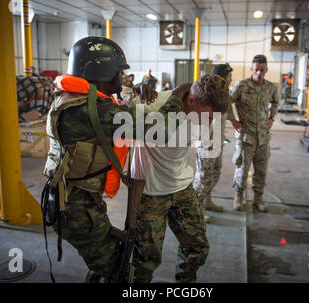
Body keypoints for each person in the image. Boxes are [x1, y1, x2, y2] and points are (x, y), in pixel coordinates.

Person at [43, 36, 190, 283]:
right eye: (117, 72)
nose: (120, 78)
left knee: (107, 264)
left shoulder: (72, 98)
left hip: (69, 201)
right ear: (100, 71)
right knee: (119, 273)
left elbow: (114, 111)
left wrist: (137, 91)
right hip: (77, 209)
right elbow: (158, 130)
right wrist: (177, 95)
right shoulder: (97, 109)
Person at [130, 74, 230, 283]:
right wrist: (135, 91)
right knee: (146, 260)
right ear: (191, 100)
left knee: (198, 248)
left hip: (182, 187)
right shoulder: (154, 103)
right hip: (151, 192)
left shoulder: (206, 115)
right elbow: (120, 105)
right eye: (209, 117)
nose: (211, 123)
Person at [228, 55, 279, 212]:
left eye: (262, 70)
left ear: (266, 70)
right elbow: (226, 102)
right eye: (256, 70)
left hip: (263, 138)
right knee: (242, 170)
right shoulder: (241, 86)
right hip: (246, 137)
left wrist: (272, 117)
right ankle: (238, 197)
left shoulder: (270, 87)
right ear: (251, 69)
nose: (259, 73)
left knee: (261, 170)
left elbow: (276, 103)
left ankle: (258, 198)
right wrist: (234, 122)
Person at [193, 63, 233, 223]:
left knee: (215, 174)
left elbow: (227, 113)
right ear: (221, 79)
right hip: (206, 144)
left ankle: (206, 201)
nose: (231, 80)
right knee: (204, 178)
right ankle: (196, 208)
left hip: (218, 142)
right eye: (229, 77)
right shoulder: (206, 94)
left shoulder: (224, 94)